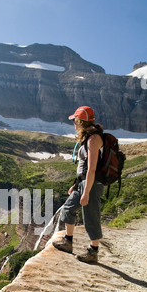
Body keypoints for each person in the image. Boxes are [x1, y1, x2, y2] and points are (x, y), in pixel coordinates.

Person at [52, 106, 104, 263]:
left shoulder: (94, 139)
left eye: (75, 120)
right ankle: (68, 242)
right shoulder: (87, 137)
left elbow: (92, 168)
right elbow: (83, 166)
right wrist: (76, 185)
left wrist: (86, 191)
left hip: (92, 184)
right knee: (67, 209)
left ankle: (93, 252)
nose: (74, 123)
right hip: (82, 183)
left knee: (91, 216)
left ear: (81, 121)